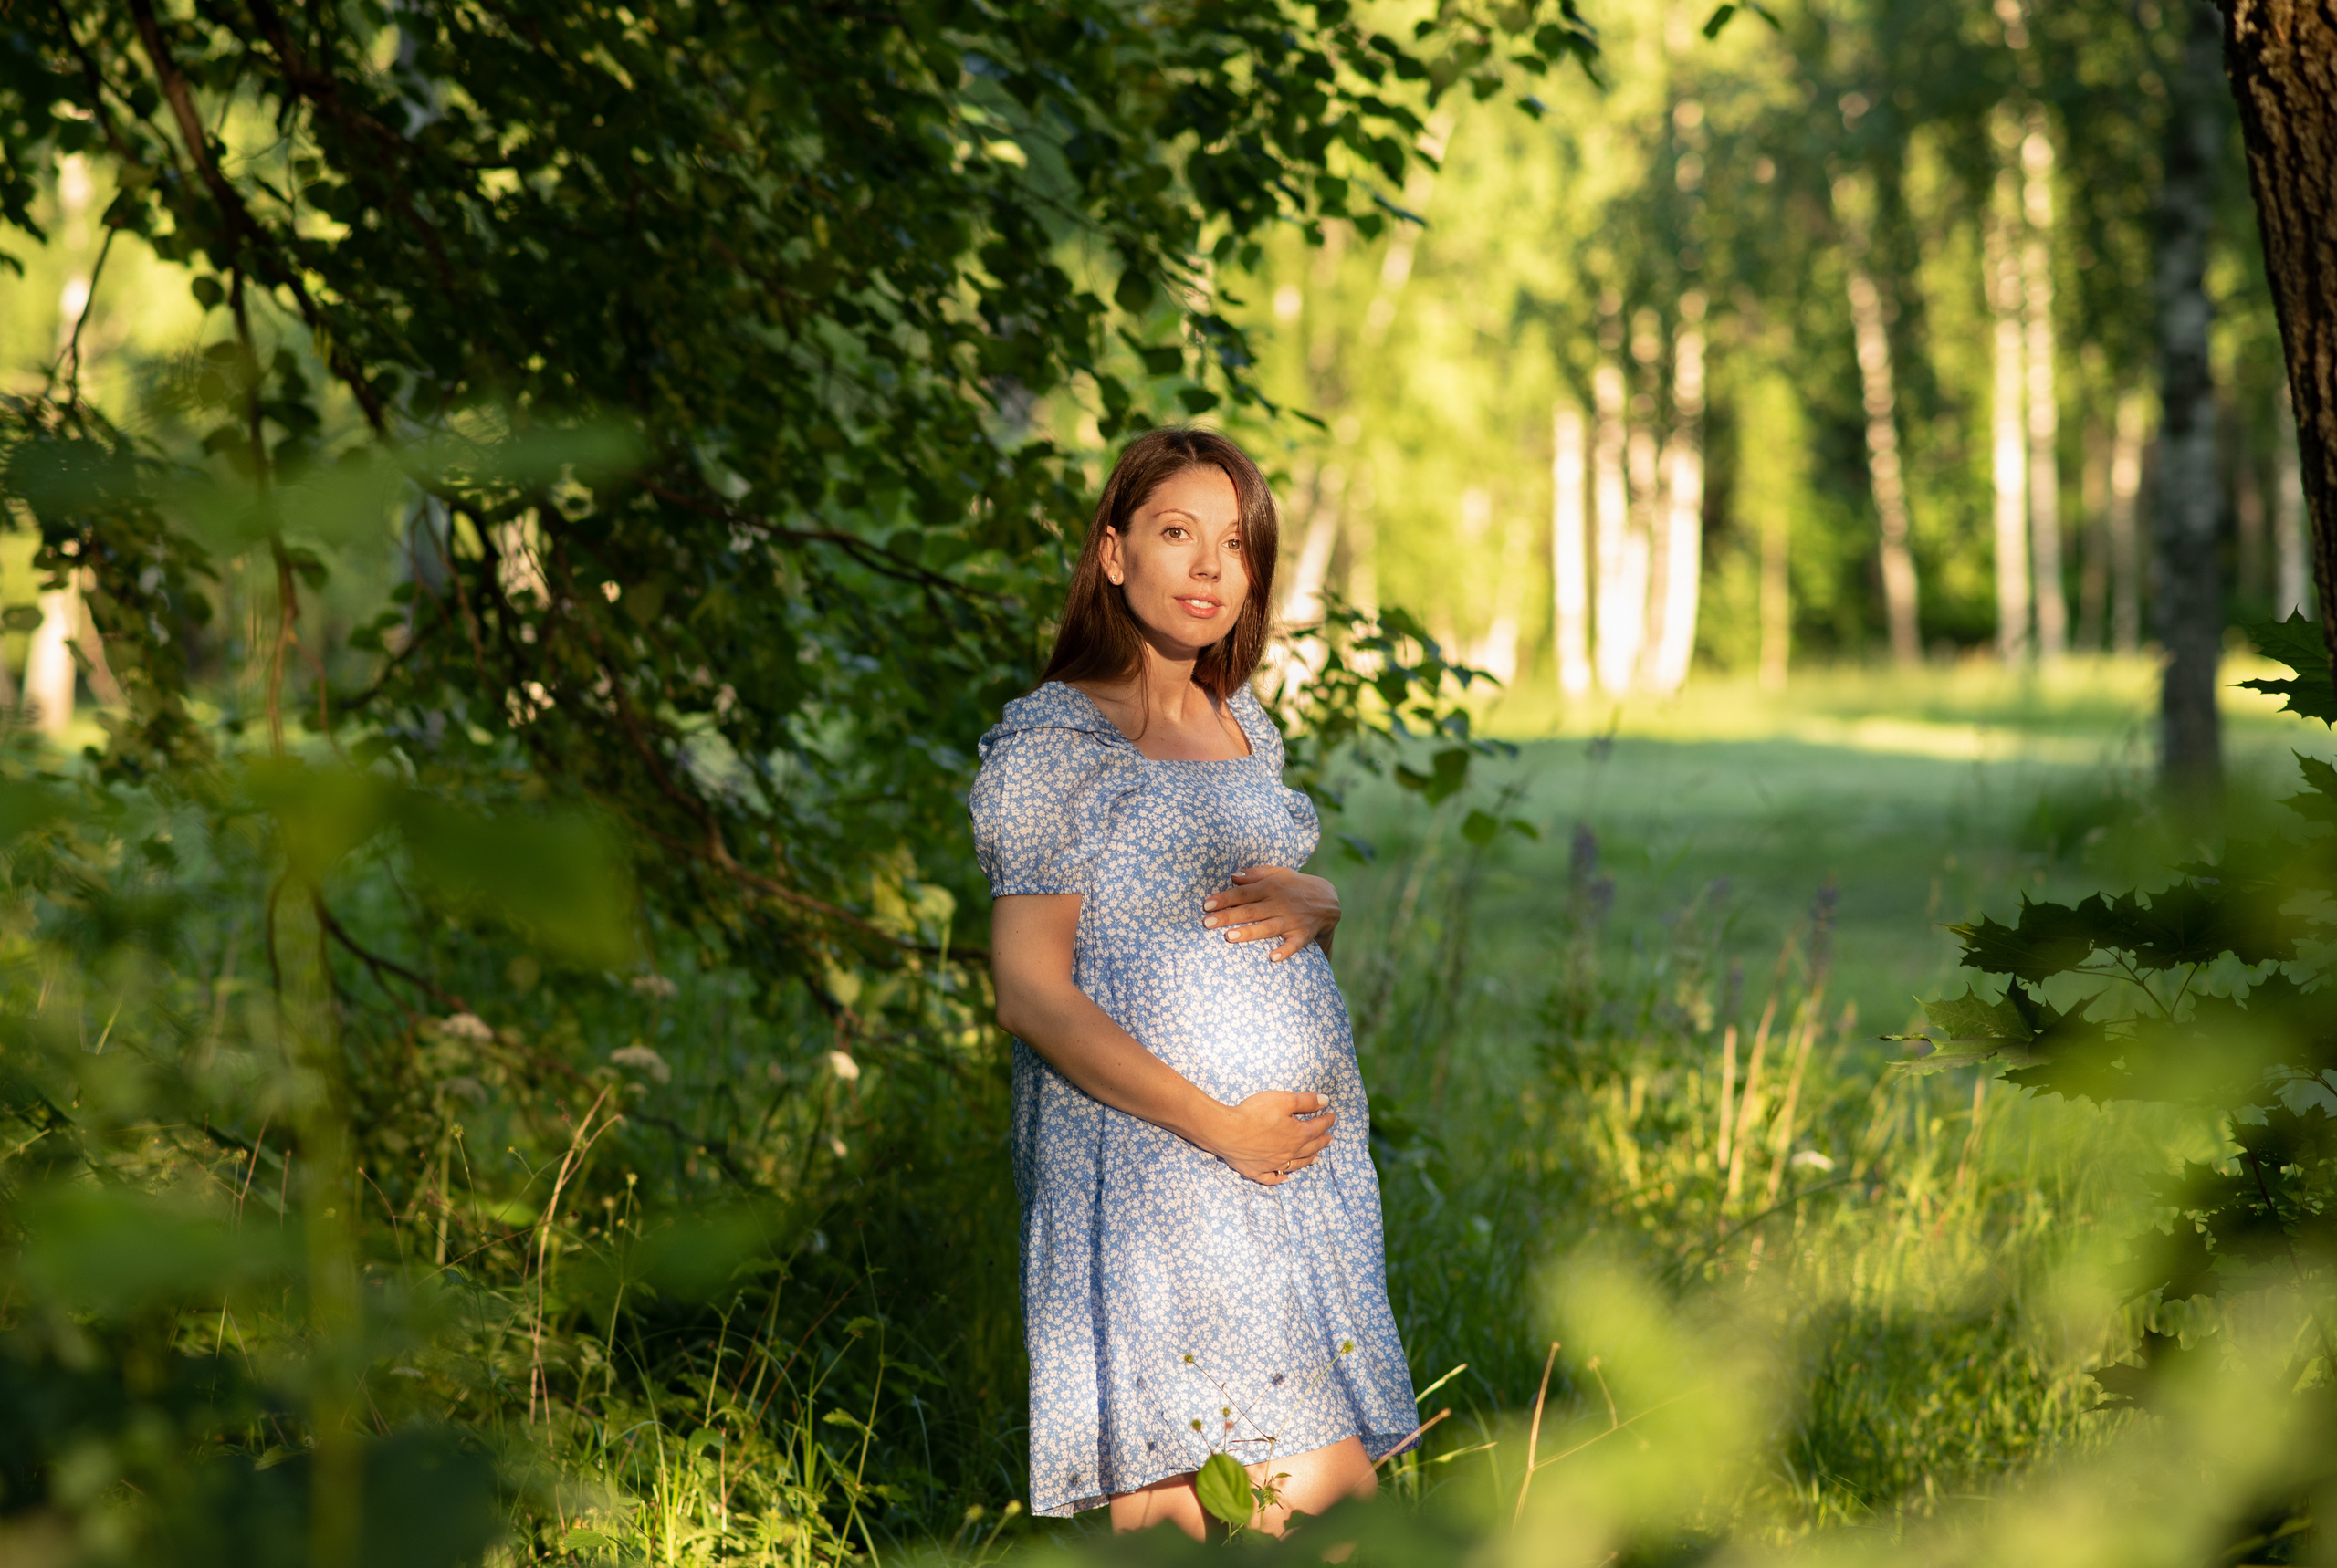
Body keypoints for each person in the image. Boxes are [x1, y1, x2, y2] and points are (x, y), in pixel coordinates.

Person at [970, 427, 1416, 1539]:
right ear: (1113, 552)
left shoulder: (1239, 721)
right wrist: (1221, 1127)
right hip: (1155, 1171)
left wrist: (1321, 905)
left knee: (1233, 1524)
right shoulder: (1053, 747)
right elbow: (1029, 992)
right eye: (1176, 533)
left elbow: (1251, 928)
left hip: (1285, 1175)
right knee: (1276, 1519)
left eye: (1236, 542)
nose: (1210, 566)